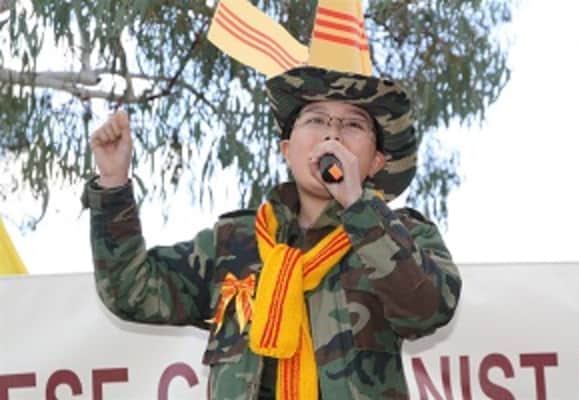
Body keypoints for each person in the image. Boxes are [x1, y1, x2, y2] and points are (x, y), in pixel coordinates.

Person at [81, 1, 461, 399]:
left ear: (376, 162)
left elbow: (428, 309)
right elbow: (131, 291)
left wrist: (357, 205)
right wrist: (113, 184)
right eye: (315, 119)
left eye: (352, 124)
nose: (331, 135)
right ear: (287, 149)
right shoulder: (232, 242)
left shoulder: (403, 234)